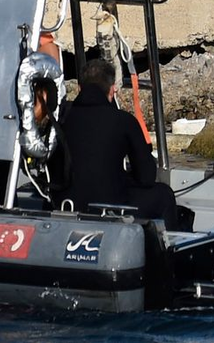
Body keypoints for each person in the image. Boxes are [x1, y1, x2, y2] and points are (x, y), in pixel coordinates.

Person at [60, 57, 179, 227]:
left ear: (80, 88)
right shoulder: (123, 121)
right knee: (164, 194)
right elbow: (146, 177)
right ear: (112, 90)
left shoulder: (62, 119)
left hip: (67, 204)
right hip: (109, 206)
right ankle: (166, 250)